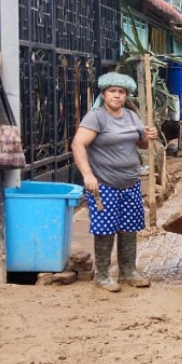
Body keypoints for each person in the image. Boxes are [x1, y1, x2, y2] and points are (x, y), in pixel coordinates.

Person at [71, 72, 159, 292]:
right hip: (104, 184)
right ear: (104, 94)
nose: (117, 96)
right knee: (105, 228)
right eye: (112, 91)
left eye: (121, 92)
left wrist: (148, 136)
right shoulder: (96, 117)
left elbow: (142, 146)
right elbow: (77, 145)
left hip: (130, 182)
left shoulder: (131, 116)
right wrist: (87, 175)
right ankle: (102, 274)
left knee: (129, 227)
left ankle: (128, 270)